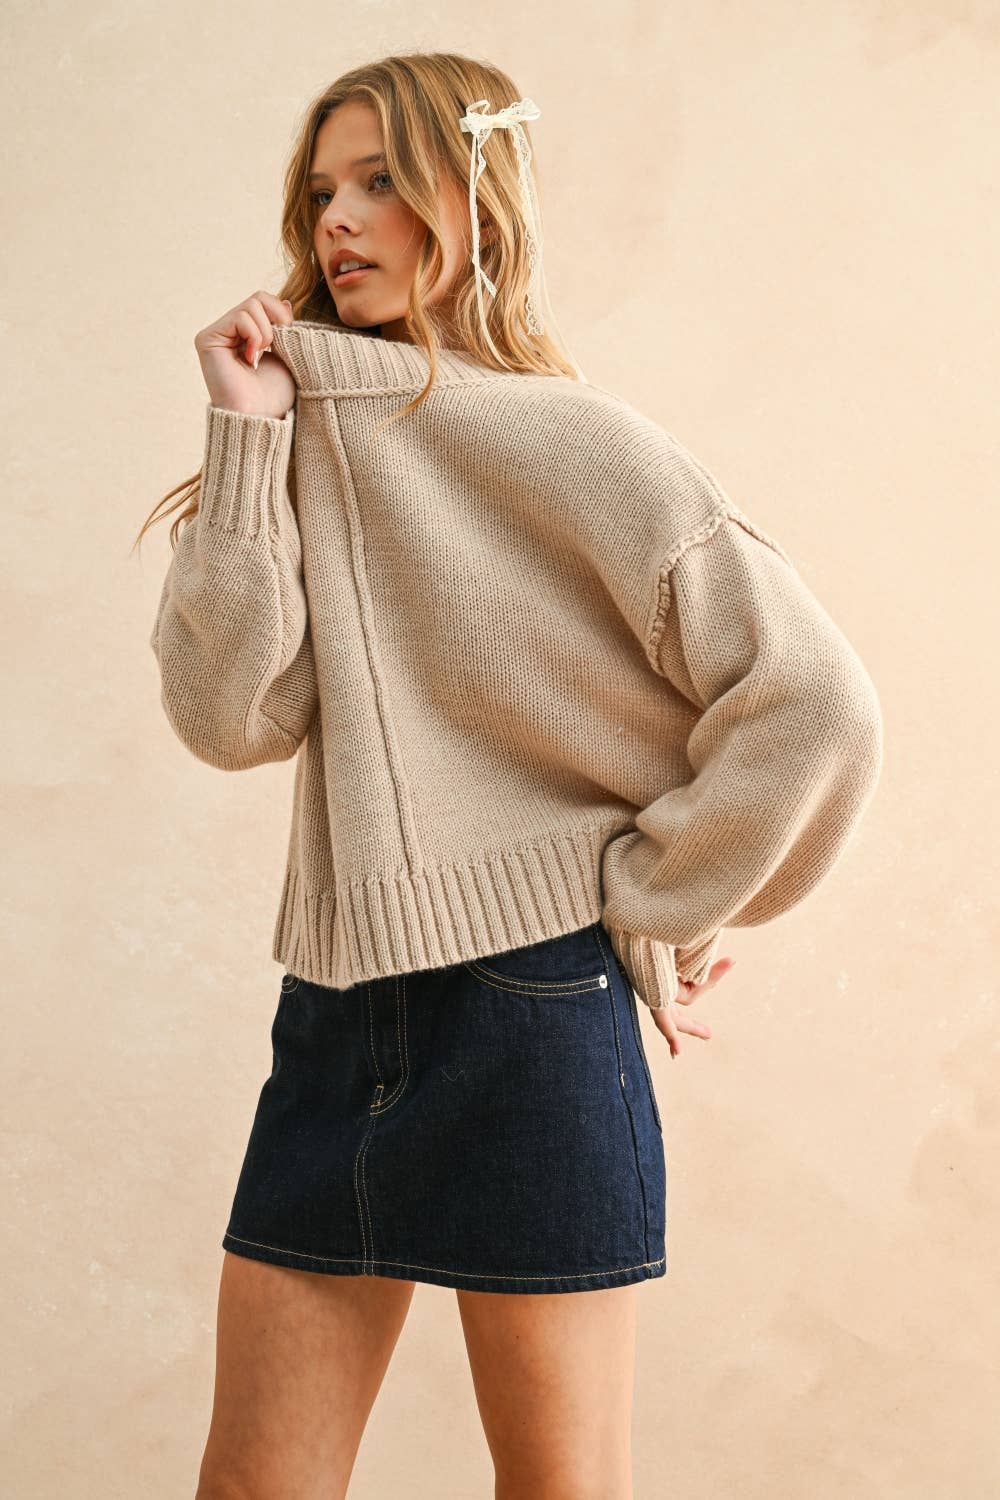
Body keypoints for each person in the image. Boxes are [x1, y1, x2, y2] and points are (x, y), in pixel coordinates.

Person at [134, 49, 884, 1500]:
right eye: (321, 188)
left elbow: (814, 704)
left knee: (558, 1489)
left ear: (474, 200)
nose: (337, 219)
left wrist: (657, 898)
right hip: (340, 1009)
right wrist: (242, 435)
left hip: (531, 1009)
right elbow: (231, 718)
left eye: (379, 182)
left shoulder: (582, 444)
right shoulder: (286, 427)